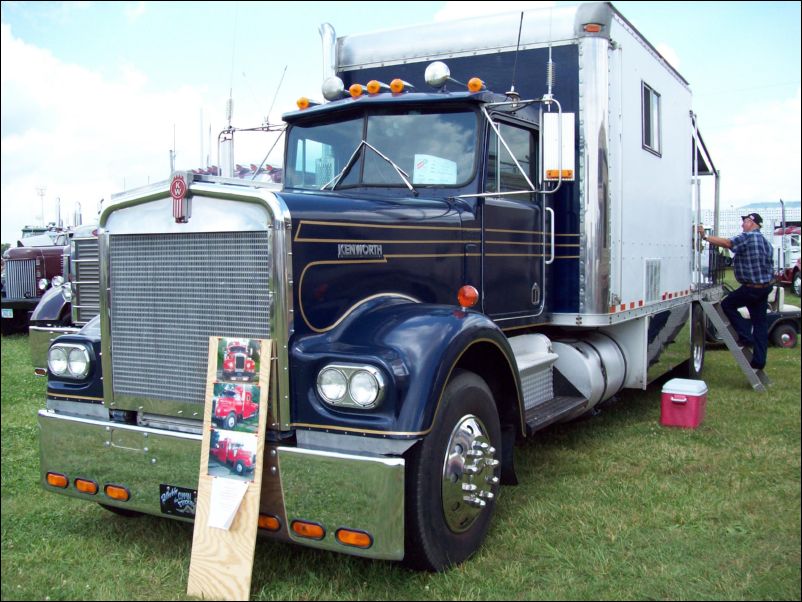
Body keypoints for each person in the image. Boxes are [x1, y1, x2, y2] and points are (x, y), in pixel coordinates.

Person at [698, 213, 774, 371]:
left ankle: (745, 336)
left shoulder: (748, 237)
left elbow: (727, 243)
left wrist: (705, 236)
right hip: (764, 287)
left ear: (753, 223)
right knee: (760, 324)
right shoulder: (766, 242)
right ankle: (759, 361)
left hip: (750, 288)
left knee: (727, 304)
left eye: (745, 221)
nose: (742, 225)